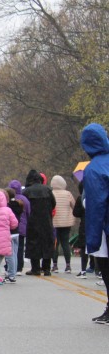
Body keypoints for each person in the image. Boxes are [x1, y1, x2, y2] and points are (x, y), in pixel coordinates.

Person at [79, 124, 109, 322]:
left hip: (106, 224)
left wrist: (93, 239)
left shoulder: (94, 169)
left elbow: (96, 204)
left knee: (106, 268)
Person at [23, 169, 55, 276]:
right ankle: (46, 268)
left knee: (34, 243)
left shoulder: (27, 191)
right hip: (46, 220)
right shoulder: (48, 190)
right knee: (47, 243)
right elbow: (53, 203)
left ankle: (35, 268)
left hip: (33, 220)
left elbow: (24, 206)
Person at [50, 174, 76, 273]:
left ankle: (55, 265)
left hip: (54, 223)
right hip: (66, 223)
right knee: (65, 243)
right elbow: (74, 206)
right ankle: (68, 265)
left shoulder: (51, 193)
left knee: (55, 244)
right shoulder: (68, 194)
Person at [8, 179, 31, 276]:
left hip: (9, 227)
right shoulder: (24, 200)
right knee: (20, 248)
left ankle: (9, 267)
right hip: (21, 227)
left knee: (9, 249)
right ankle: (19, 268)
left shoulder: (7, 200)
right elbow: (29, 212)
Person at [3, 187, 24, 283]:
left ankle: (11, 274)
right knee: (14, 254)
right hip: (16, 232)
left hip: (10, 232)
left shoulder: (7, 207)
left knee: (9, 255)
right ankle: (13, 272)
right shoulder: (19, 205)